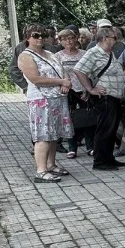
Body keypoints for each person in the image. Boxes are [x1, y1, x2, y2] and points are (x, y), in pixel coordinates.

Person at [17, 25, 74, 182]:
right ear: (27, 37)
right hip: (40, 99)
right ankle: (41, 170)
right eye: (36, 35)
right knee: (43, 135)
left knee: (54, 134)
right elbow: (36, 79)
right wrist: (61, 81)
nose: (40, 38)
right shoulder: (25, 56)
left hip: (57, 98)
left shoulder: (49, 53)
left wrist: (65, 82)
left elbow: (62, 70)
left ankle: (51, 164)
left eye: (43, 34)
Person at [74, 27, 125, 171]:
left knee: (111, 130)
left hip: (114, 97)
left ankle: (108, 158)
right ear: (105, 38)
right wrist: (90, 89)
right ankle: (100, 162)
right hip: (105, 97)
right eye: (114, 37)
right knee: (105, 129)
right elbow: (78, 69)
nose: (116, 40)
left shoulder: (108, 53)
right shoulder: (94, 53)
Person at [54, 28, 94, 159]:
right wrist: (63, 84)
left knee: (87, 117)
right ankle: (72, 147)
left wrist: (88, 89)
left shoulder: (84, 53)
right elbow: (57, 74)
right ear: (60, 41)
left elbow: (89, 72)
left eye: (70, 38)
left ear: (76, 38)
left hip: (83, 89)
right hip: (67, 91)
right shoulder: (58, 56)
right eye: (64, 39)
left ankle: (90, 147)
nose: (68, 41)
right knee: (69, 119)